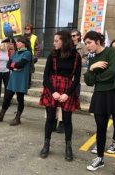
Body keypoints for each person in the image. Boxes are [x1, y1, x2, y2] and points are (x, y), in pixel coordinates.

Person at [84, 31, 115, 175]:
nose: (87, 46)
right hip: (100, 96)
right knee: (100, 129)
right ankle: (100, 158)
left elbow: (114, 72)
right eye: (85, 43)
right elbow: (88, 81)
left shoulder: (111, 52)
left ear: (97, 41)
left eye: (89, 43)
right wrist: (92, 68)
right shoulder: (92, 59)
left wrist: (97, 76)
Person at [39, 30, 81, 161]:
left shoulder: (76, 56)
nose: (54, 43)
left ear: (65, 42)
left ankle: (68, 147)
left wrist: (67, 94)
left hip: (68, 89)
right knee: (50, 119)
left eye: (57, 40)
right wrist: (53, 92)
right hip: (52, 87)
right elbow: (45, 77)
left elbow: (77, 79)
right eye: (54, 40)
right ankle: (46, 144)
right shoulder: (52, 55)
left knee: (67, 120)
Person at [0, 36, 32, 126]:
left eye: (18, 42)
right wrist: (15, 66)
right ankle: (1, 115)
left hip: (21, 80)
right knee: (7, 98)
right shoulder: (15, 53)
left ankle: (17, 118)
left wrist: (14, 66)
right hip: (13, 79)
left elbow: (20, 65)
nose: (16, 43)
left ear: (23, 43)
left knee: (20, 99)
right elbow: (8, 65)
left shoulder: (27, 53)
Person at [23, 24, 40, 89]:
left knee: (29, 70)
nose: (27, 30)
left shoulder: (34, 37)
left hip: (31, 56)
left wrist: (35, 57)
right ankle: (23, 83)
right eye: (26, 29)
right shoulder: (22, 37)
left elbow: (37, 48)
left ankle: (28, 84)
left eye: (28, 29)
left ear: (31, 30)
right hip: (23, 56)